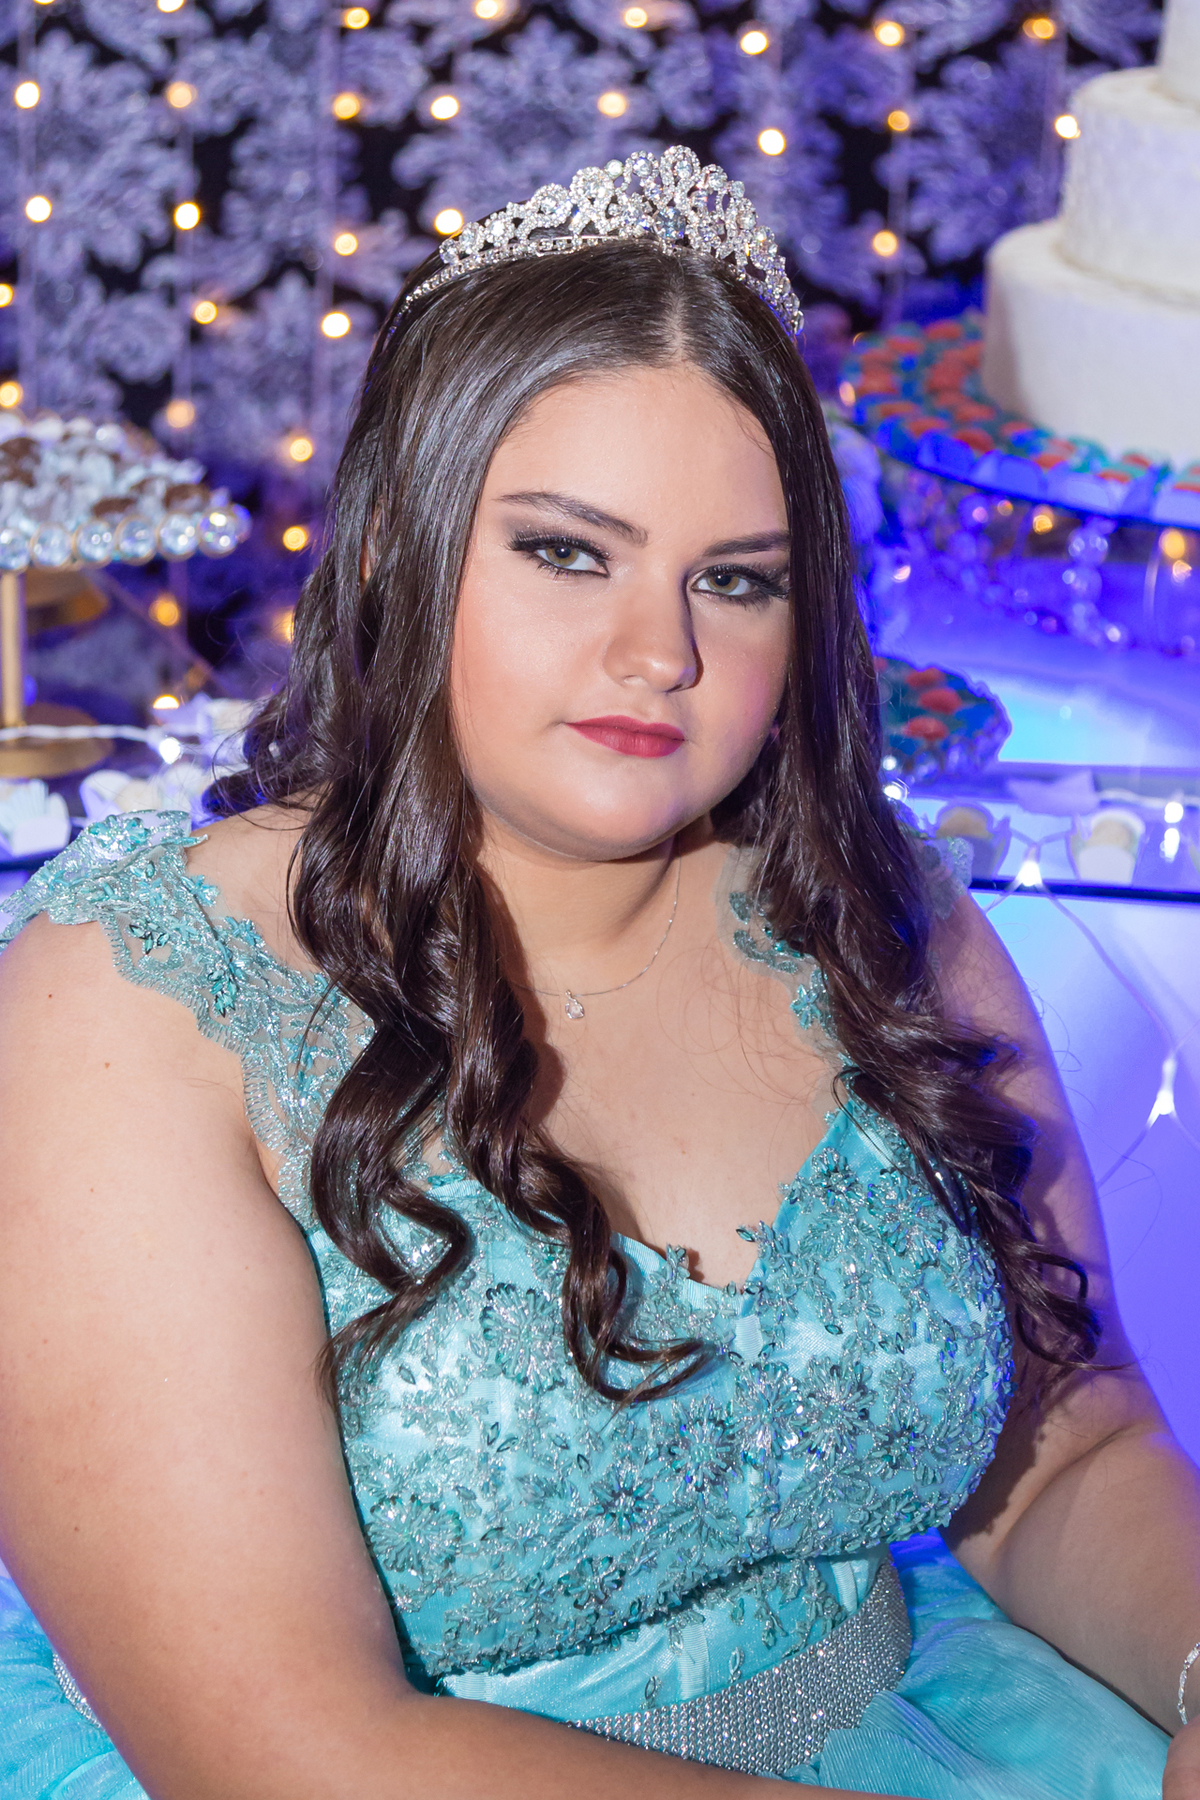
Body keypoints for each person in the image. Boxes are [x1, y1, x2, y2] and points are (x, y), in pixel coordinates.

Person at [0, 146, 1196, 1800]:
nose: (663, 653)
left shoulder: (877, 916)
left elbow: (1066, 1450)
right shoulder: (138, 1002)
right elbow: (280, 1748)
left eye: (736, 578)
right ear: (392, 550)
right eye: (569, 552)